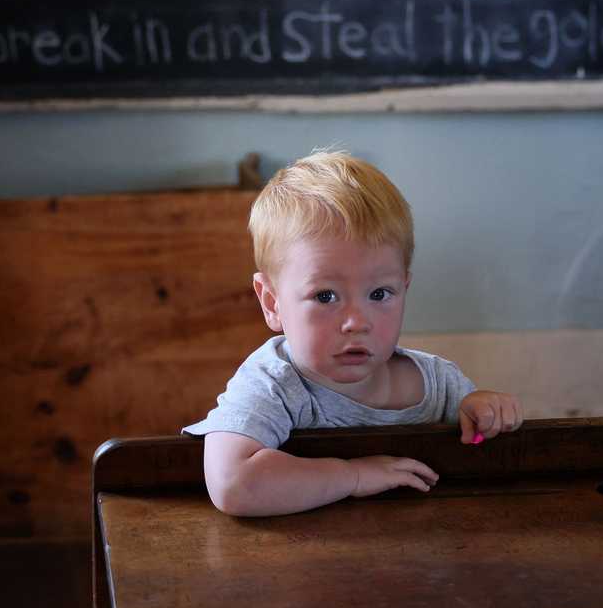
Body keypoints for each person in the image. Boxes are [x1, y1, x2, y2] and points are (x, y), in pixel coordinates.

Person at [187, 149, 522, 516]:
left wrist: (482, 413)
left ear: (404, 290)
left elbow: (478, 456)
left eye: (379, 294)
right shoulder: (275, 386)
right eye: (325, 296)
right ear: (272, 302)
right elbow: (232, 483)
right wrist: (353, 476)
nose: (356, 322)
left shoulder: (439, 384)